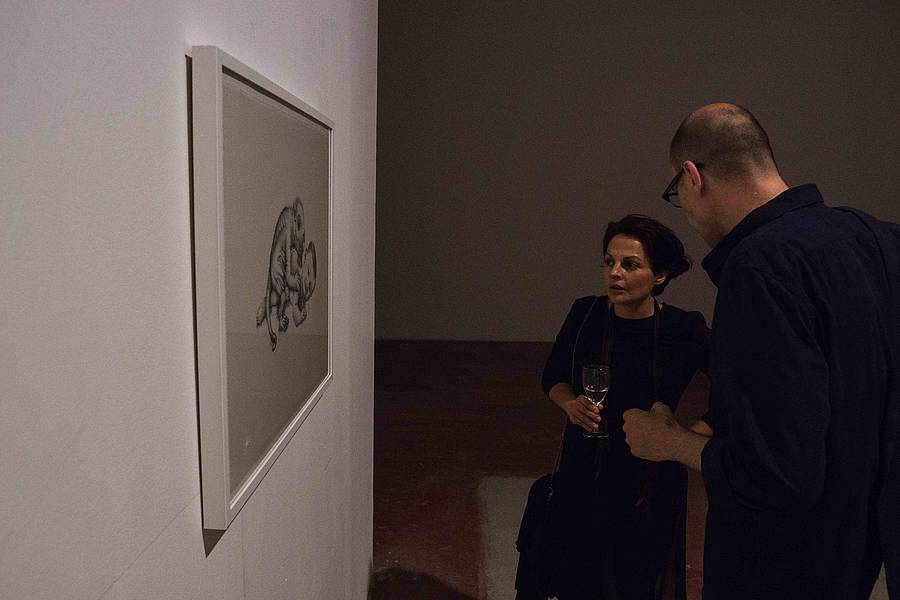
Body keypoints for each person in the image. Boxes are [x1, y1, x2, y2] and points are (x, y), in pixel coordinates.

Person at [623, 103, 900, 599]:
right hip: (858, 552)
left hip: (780, 564)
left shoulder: (758, 268)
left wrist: (670, 441)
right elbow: (844, 381)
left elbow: (778, 474)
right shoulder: (875, 236)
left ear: (692, 177)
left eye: (676, 194)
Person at [528, 214, 709, 600]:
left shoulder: (681, 328)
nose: (615, 273)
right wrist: (570, 403)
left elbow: (739, 386)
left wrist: (690, 435)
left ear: (659, 275)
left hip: (648, 476)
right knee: (579, 574)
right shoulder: (586, 314)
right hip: (585, 466)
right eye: (609, 262)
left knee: (636, 579)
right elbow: (553, 375)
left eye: (630, 264)